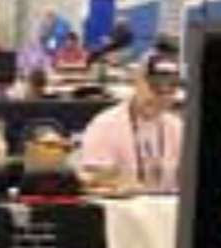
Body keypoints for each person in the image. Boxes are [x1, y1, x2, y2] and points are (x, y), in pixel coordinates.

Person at [78, 49, 183, 192]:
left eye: (168, 92)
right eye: (154, 89)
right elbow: (92, 178)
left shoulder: (177, 128)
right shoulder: (105, 125)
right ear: (137, 82)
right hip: (122, 204)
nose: (159, 99)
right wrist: (122, 182)